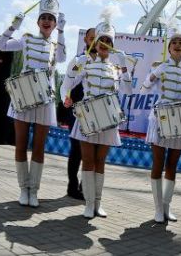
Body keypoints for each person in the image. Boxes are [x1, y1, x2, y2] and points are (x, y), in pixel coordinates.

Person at [0, 0, 67, 207]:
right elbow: (1, 45)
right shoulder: (26, 39)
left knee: (38, 145)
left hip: (44, 99)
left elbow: (64, 59)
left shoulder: (56, 45)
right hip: (23, 96)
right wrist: (13, 25)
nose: (47, 21)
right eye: (43, 17)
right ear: (37, 21)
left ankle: (34, 190)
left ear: (55, 24)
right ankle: (23, 189)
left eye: (51, 19)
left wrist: (63, 32)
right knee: (20, 144)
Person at [60, 12, 132, 219]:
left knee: (100, 162)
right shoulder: (84, 61)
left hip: (108, 120)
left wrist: (124, 66)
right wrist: (66, 96)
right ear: (96, 42)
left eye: (109, 41)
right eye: (102, 40)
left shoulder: (116, 68)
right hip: (88, 118)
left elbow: (127, 91)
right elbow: (67, 82)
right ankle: (88, 204)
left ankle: (97, 204)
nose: (105, 43)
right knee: (89, 160)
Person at [141, 29, 181, 223]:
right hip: (161, 116)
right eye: (174, 42)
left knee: (172, 166)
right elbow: (144, 88)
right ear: (169, 48)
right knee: (158, 163)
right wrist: (152, 74)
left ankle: (167, 207)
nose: (177, 45)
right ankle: (158, 209)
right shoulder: (161, 67)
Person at [60, 27, 95, 200]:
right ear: (86, 40)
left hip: (95, 113)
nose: (95, 42)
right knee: (76, 150)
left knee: (93, 151)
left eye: (98, 38)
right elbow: (66, 84)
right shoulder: (78, 60)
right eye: (91, 38)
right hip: (77, 112)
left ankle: (85, 186)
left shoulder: (106, 64)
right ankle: (72, 187)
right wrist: (65, 98)